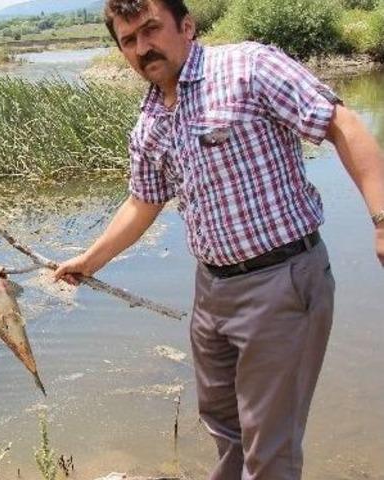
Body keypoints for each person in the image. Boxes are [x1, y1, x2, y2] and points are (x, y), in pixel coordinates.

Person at [53, 0, 384, 478]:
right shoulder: (149, 123)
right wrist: (89, 260)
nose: (143, 47)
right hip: (212, 290)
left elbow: (341, 124)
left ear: (187, 26)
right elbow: (142, 202)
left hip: (282, 280)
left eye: (151, 29)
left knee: (269, 450)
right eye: (129, 40)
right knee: (225, 430)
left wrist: (381, 218)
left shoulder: (249, 68)